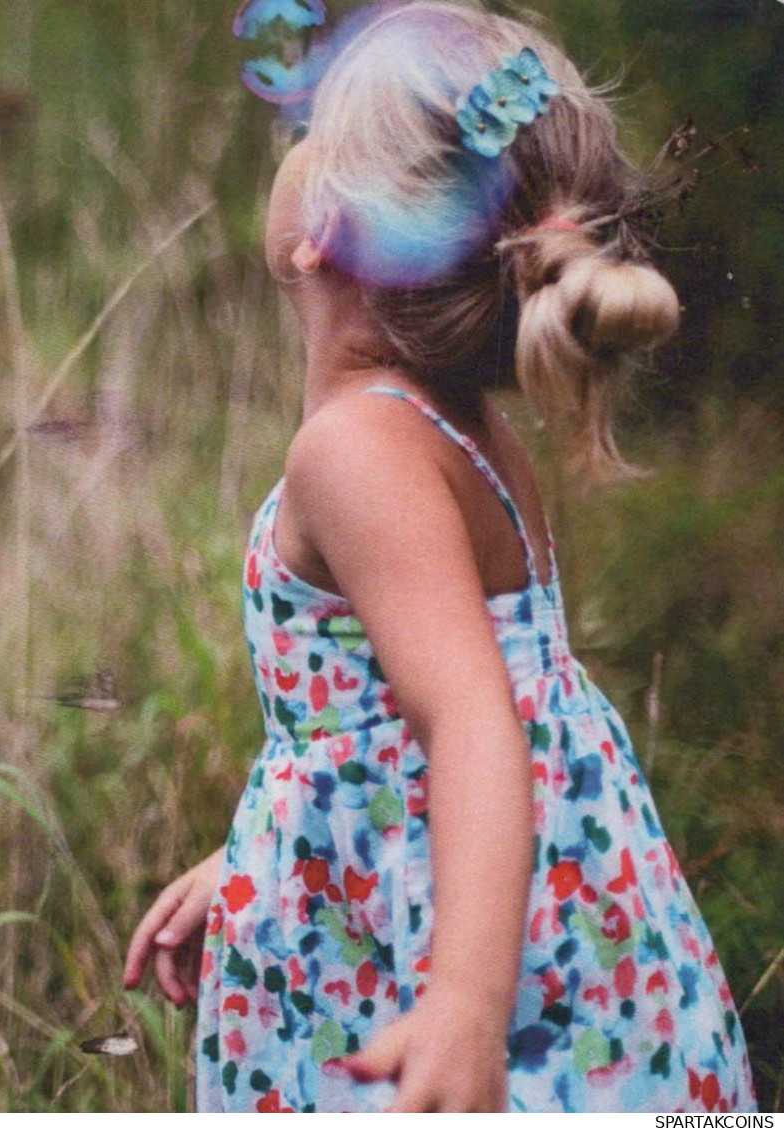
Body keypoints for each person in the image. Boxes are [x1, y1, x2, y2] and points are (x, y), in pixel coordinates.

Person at [121, 1, 757, 1113]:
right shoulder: (452, 430)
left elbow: (469, 722)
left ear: (325, 223)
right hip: (530, 908)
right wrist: (266, 859)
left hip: (460, 966)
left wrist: (465, 1002)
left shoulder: (358, 450)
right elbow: (403, 743)